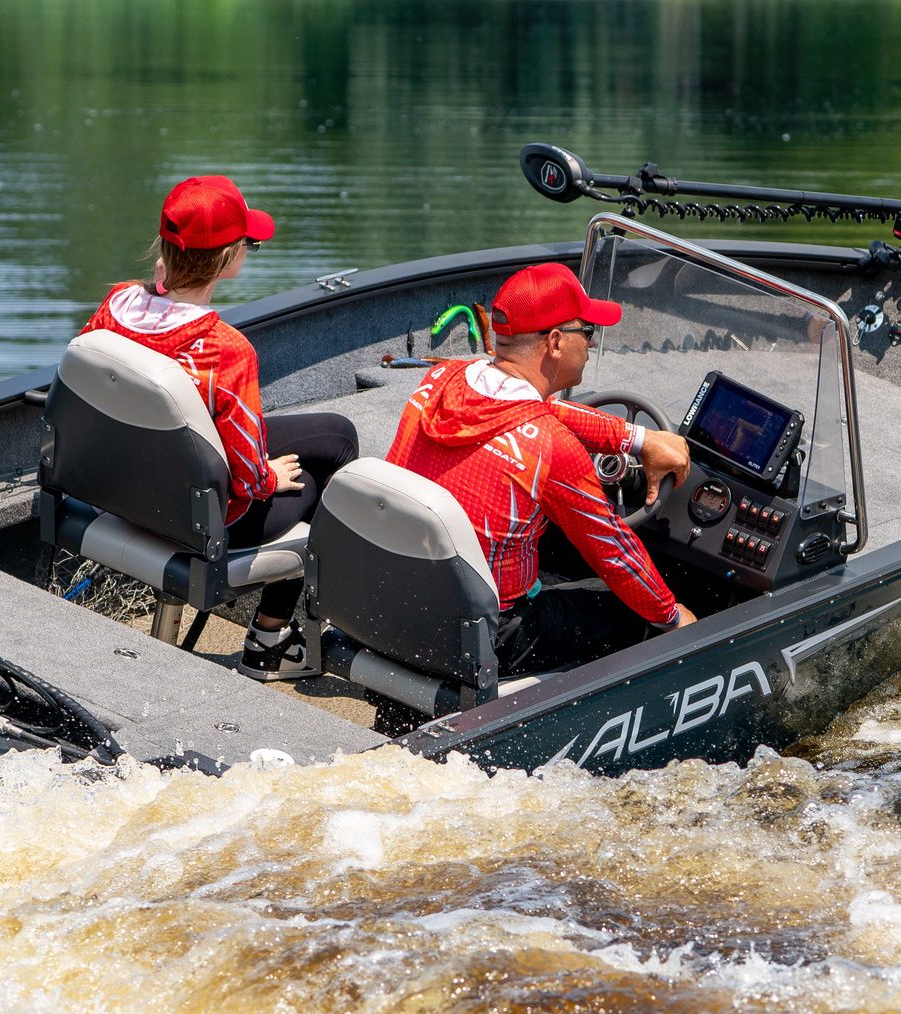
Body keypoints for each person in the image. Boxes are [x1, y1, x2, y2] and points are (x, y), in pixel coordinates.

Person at [80, 174, 357, 677]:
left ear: (164, 248)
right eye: (247, 243)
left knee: (333, 434)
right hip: (197, 517)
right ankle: (269, 642)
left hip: (122, 489)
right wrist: (272, 475)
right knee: (318, 476)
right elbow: (251, 481)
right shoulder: (226, 352)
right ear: (229, 259)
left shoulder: (113, 306)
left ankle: (278, 634)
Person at [386, 262, 697, 676]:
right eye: (588, 333)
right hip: (487, 634)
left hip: (402, 595)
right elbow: (613, 551)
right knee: (631, 609)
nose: (590, 343)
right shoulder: (551, 448)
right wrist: (674, 618)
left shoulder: (442, 378)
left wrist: (638, 439)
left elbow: (538, 407)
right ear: (555, 342)